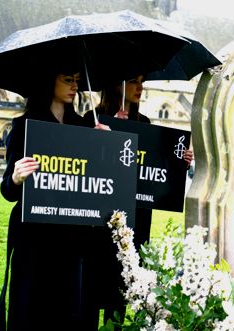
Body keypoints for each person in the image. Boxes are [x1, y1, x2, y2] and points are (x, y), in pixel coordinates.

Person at [0, 59, 109, 331]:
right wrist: (16, 177)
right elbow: (7, 191)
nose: (74, 86)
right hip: (34, 238)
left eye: (76, 80)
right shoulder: (24, 126)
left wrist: (104, 144)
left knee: (68, 310)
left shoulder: (84, 127)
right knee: (33, 309)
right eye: (67, 79)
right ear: (49, 81)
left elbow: (98, 179)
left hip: (71, 238)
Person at [84, 73, 193, 323]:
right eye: (133, 81)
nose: (140, 87)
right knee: (91, 290)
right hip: (98, 222)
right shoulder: (90, 119)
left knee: (121, 290)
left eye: (142, 81)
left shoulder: (143, 122)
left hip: (135, 219)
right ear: (117, 84)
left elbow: (156, 169)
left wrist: (180, 162)